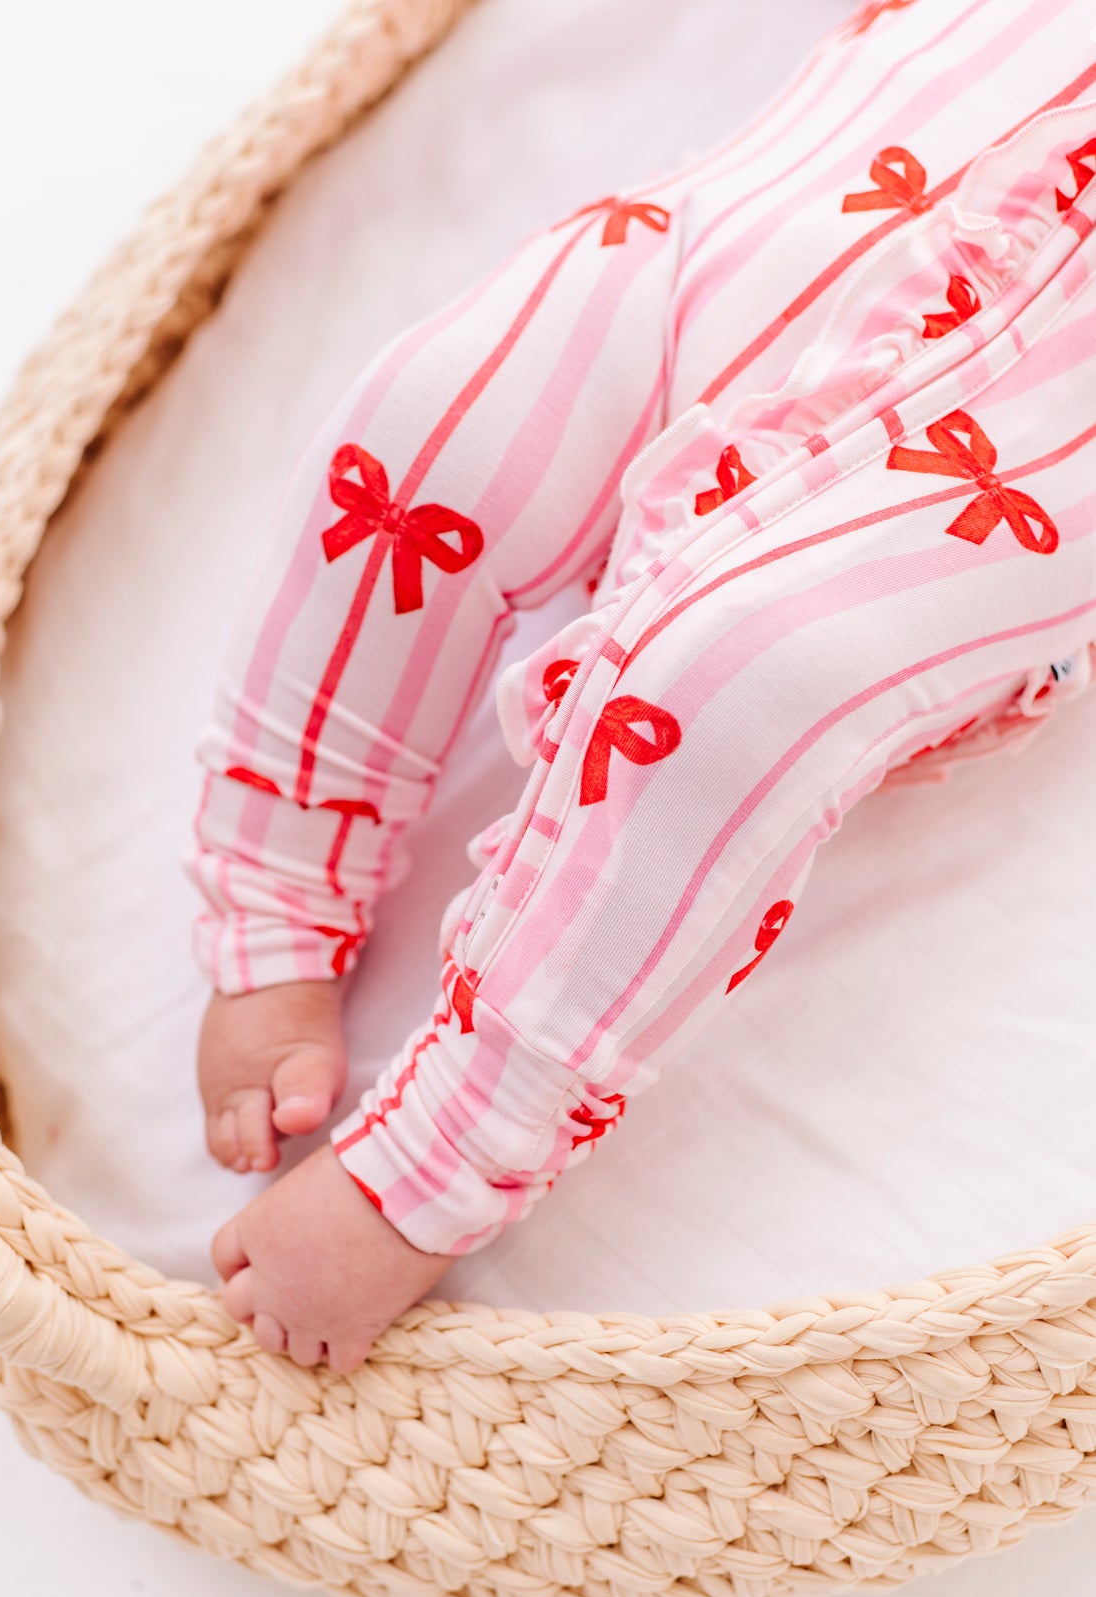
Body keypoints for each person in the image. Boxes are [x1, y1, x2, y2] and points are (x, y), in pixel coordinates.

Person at [183, 0, 1096, 1371]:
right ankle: (274, 884)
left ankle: (442, 1157)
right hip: (780, 227)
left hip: (997, 474)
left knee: (735, 686)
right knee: (436, 423)